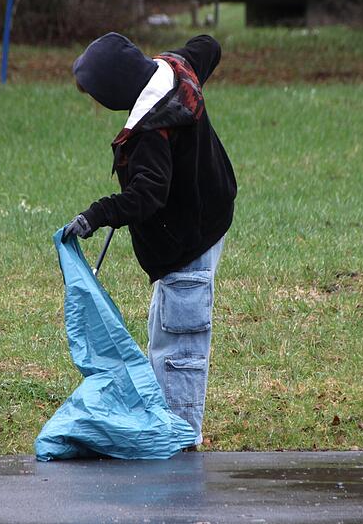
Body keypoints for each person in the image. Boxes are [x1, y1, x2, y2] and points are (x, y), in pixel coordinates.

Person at [63, 32, 237, 448]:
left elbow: (147, 194)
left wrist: (96, 215)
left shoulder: (151, 133)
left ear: (117, 90)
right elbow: (208, 45)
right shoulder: (178, 69)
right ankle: (165, 417)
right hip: (209, 213)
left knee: (181, 341)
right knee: (164, 327)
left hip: (187, 241)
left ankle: (179, 438)